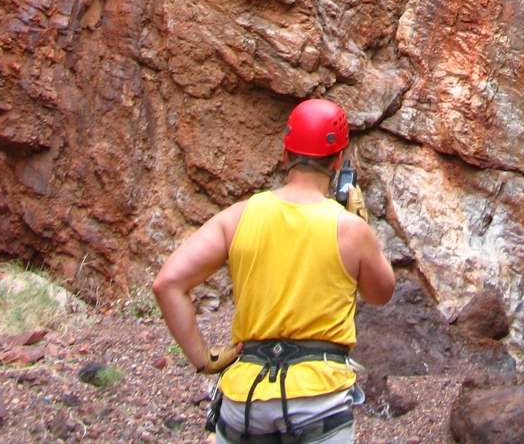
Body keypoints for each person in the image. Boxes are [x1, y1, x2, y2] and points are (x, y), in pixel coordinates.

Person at [153, 96, 395, 443]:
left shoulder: (239, 216)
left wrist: (203, 358)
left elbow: (167, 284)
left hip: (245, 400)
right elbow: (380, 293)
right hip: (318, 401)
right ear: (338, 160)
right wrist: (363, 229)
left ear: (285, 155)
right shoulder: (350, 229)